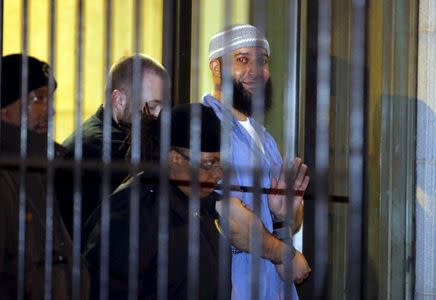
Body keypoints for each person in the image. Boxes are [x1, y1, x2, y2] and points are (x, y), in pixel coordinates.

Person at [203, 24, 310, 299]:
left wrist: (281, 215)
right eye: (242, 59)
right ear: (216, 68)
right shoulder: (205, 128)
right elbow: (230, 220)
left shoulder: (266, 139)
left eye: (262, 61)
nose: (255, 70)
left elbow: (291, 221)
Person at [84, 103, 228, 299]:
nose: (218, 174)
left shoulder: (205, 207)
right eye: (209, 164)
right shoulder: (133, 212)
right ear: (174, 157)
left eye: (220, 163)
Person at [0, 54, 89, 299]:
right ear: (4, 108)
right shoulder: (8, 177)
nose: (50, 110)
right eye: (37, 98)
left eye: (51, 99)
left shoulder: (44, 169)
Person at [58, 54, 170, 235]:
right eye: (153, 105)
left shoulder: (103, 135)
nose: (159, 115)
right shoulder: (105, 148)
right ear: (119, 100)